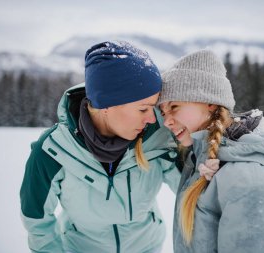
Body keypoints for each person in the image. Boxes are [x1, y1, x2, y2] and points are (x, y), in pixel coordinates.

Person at [19, 41, 183, 253]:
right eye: (143, 109)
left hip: (147, 247)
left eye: (154, 107)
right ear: (107, 105)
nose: (153, 119)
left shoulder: (159, 138)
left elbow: (193, 193)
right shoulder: (53, 150)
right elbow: (36, 219)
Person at [158, 49, 264, 253]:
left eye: (174, 106)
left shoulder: (246, 178)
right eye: (162, 111)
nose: (166, 121)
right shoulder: (201, 160)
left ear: (210, 104)